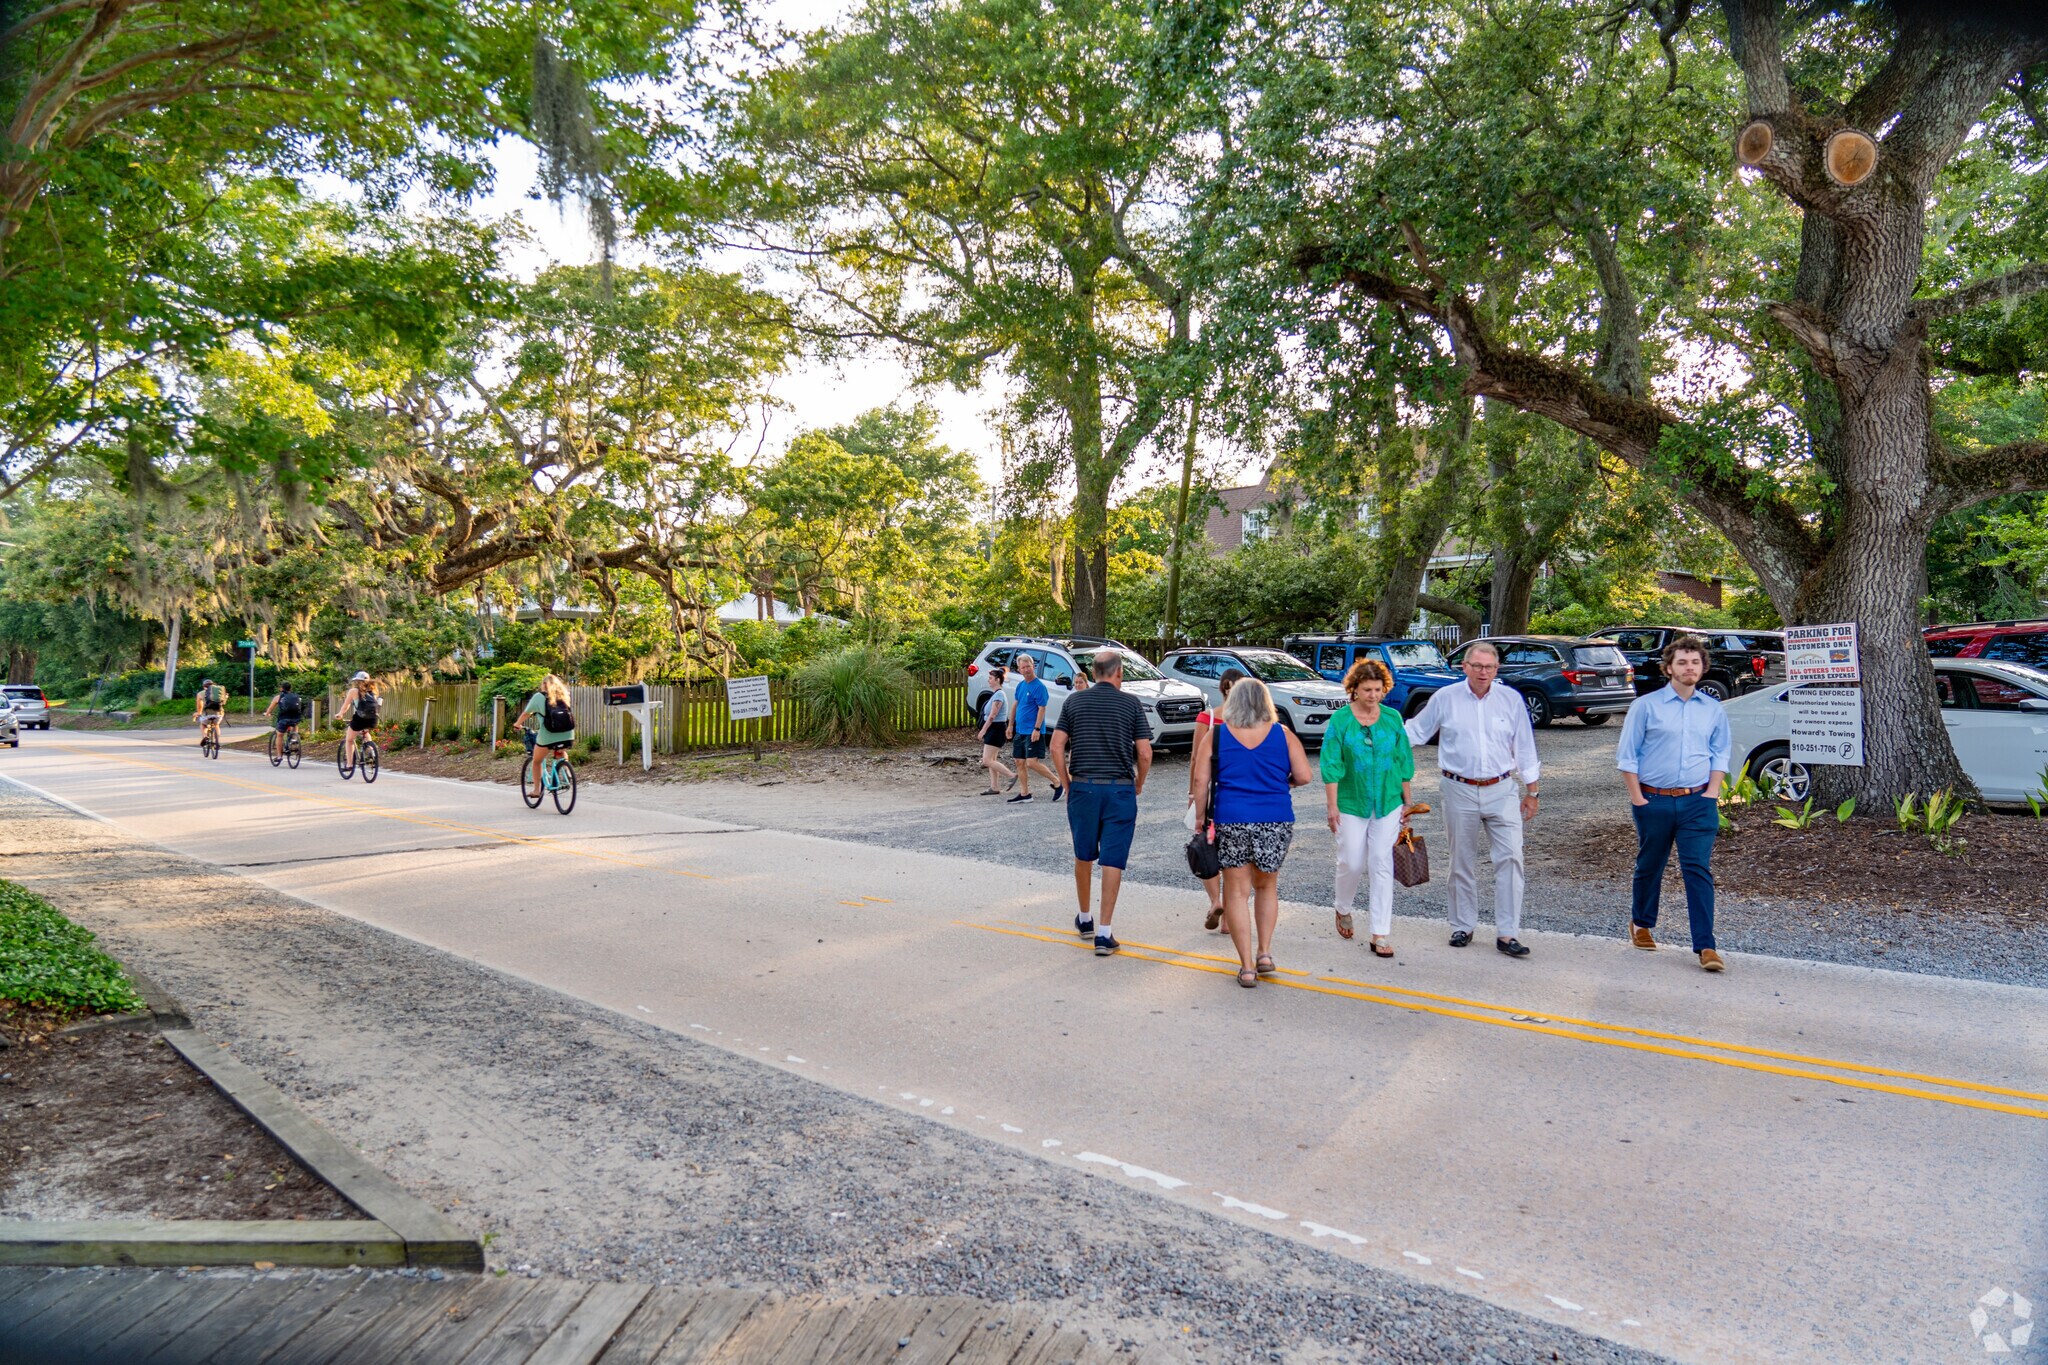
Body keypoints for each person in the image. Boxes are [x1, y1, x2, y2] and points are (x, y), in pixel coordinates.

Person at [1404, 641, 1542, 959]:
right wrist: (1375, 731)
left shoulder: (1510, 699)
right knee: (1461, 860)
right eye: (1477, 666)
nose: (1483, 672)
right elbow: (1414, 732)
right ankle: (1462, 926)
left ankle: (1507, 933)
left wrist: (1532, 792)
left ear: (1497, 669)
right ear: (1464, 667)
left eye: (1489, 667)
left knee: (1511, 858)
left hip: (1502, 788)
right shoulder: (1445, 698)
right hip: (1458, 788)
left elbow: (1525, 747)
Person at [1616, 633, 1733, 973]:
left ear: (1703, 667)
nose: (1689, 667)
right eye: (1682, 662)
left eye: (1695, 662)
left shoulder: (1712, 709)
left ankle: (1706, 946)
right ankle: (1641, 923)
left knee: (1697, 869)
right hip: (1653, 800)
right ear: (1669, 668)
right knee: (1650, 865)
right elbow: (1627, 757)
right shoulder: (1646, 706)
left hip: (1698, 801)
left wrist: (1712, 794)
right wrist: (1638, 800)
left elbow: (1720, 753)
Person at [1193, 677, 1316, 987]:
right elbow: (1304, 775)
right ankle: (1264, 953)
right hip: (1275, 818)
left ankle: (1247, 967)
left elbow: (1200, 782)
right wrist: (1282, 782)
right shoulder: (1282, 734)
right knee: (1266, 887)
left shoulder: (1216, 735)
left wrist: (1200, 819)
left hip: (1231, 818)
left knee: (1236, 892)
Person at [1049, 649, 1152, 956]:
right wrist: (1139, 782)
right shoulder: (1131, 704)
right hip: (1119, 789)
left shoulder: (1074, 702)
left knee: (1083, 854)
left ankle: (1085, 918)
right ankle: (1104, 934)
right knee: (1112, 858)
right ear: (1119, 673)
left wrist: (1066, 782)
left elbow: (1056, 746)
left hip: (1083, 787)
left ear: (1093, 674)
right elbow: (1144, 753)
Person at [1322, 658, 1417, 959]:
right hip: (1351, 801)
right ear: (1355, 689)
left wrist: (1408, 802)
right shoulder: (1341, 721)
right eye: (1367, 690)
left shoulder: (1392, 718)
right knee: (1351, 861)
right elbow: (1331, 764)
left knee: (1381, 862)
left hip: (1388, 801)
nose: (1373, 695)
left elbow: (1403, 761)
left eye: (1378, 689)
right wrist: (1332, 806)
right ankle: (1342, 907)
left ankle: (1380, 933)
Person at [1188, 667, 1249, 930]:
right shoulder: (1249, 721)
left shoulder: (1208, 718)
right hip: (1238, 792)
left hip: (1211, 792)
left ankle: (1215, 901)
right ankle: (1228, 916)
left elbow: (1195, 759)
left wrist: (1193, 793)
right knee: (1233, 852)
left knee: (1207, 844)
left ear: (1221, 688)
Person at [1006, 653, 1062, 803]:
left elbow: (1042, 708)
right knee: (1019, 761)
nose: (1026, 670)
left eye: (1028, 666)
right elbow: (1015, 705)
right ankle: (1025, 793)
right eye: (1023, 667)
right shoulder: (1021, 685)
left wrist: (1037, 729)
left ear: (1033, 666)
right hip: (1020, 730)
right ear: (1019, 669)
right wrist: (1010, 725)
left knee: (1031, 762)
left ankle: (1057, 783)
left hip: (1033, 731)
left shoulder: (1039, 687)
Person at [516, 674, 577, 798]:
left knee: (536, 761)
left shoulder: (539, 697)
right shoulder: (564, 696)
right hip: (567, 734)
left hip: (549, 735)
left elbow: (526, 713)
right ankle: (566, 769)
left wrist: (517, 724)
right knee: (561, 751)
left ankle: (536, 790)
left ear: (544, 684)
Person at [977, 667, 1016, 794]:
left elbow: (993, 715)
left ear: (997, 680)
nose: (989, 680)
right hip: (994, 729)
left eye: (990, 678)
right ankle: (994, 787)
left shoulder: (999, 695)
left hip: (996, 729)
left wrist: (983, 730)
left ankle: (1011, 775)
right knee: (992, 759)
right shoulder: (997, 694)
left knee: (987, 760)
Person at [336, 671, 380, 770]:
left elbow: (346, 706)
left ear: (357, 681)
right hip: (373, 719)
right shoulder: (374, 691)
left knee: (349, 740)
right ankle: (372, 753)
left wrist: (340, 714)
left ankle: (349, 765)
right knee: (366, 732)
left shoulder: (353, 691)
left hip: (360, 719)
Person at [263, 682, 305, 754]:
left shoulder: (278, 697)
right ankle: (295, 738)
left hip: (284, 718)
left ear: (281, 689)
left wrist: (267, 713)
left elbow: (270, 709)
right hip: (295, 717)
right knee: (294, 724)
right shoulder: (296, 697)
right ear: (290, 688)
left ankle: (279, 756)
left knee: (279, 735)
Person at [191, 677, 227, 747]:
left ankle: (205, 736)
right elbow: (223, 703)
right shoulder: (219, 693)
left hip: (206, 715)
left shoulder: (200, 693)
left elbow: (199, 708)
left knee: (203, 725)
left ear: (204, 686)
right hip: (219, 714)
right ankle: (216, 741)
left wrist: (197, 713)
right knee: (216, 725)